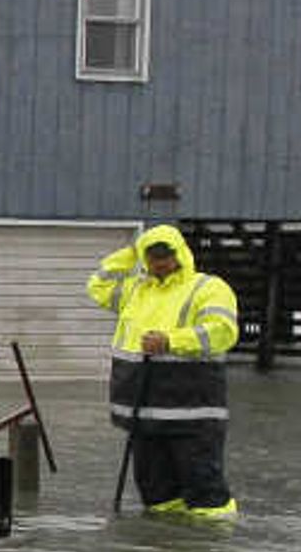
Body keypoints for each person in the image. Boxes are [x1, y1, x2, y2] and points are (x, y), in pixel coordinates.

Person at [89, 223, 242, 522]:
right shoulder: (136, 290)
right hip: (144, 414)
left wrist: (172, 341)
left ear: (181, 254)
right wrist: (133, 250)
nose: (160, 262)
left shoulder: (208, 288)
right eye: (153, 255)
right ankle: (163, 551)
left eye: (165, 254)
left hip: (192, 415)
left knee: (206, 496)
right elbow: (98, 284)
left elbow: (223, 332)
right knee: (156, 497)